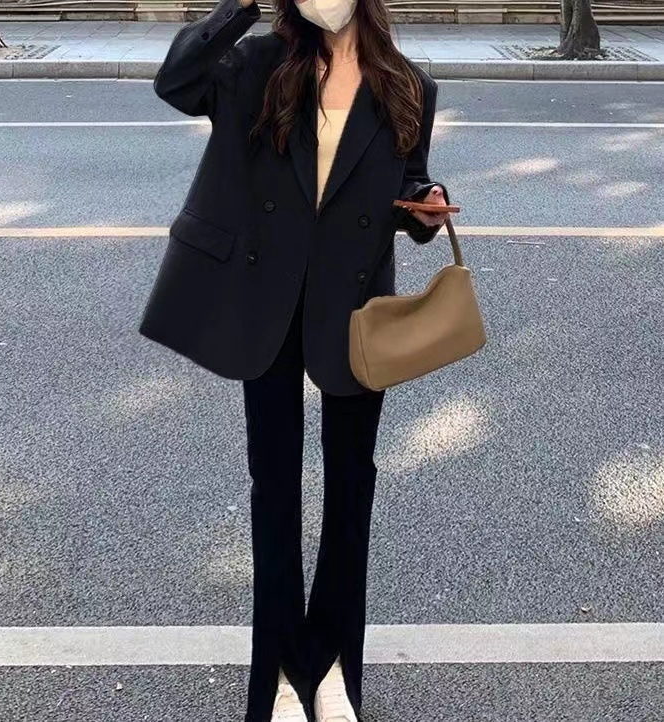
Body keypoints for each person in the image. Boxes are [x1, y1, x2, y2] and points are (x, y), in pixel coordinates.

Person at [139, 0, 451, 719]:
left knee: (351, 494)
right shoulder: (259, 66)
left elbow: (408, 181)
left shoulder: (409, 85)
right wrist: (240, 6)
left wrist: (426, 204)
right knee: (274, 493)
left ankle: (333, 666)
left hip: (354, 308)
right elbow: (175, 81)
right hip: (267, 303)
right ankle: (280, 672)